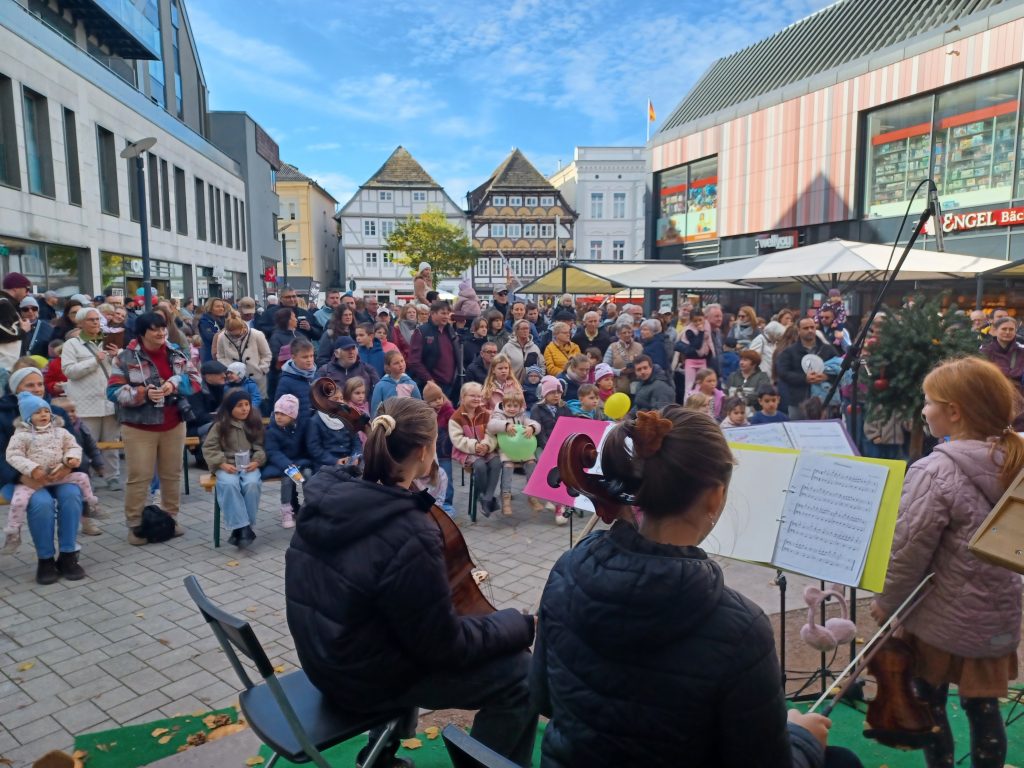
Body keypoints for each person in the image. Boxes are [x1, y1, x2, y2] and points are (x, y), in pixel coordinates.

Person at [531, 406, 859, 768]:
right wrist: (803, 738)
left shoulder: (566, 571)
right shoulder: (741, 629)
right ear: (716, 498)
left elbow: (543, 698)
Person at [285, 397, 537, 766]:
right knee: (522, 673)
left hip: (322, 657)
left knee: (406, 624)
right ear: (423, 451)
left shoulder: (328, 493)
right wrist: (519, 624)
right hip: (362, 680)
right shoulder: (409, 532)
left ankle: (381, 752)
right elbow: (443, 648)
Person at [870, 356, 1022, 768]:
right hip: (997, 616)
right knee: (984, 709)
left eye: (928, 401)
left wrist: (886, 603)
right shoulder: (1016, 459)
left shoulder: (935, 470)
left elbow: (907, 552)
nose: (923, 409)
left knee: (930, 704)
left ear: (954, 412)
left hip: (939, 620)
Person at [107, 311, 200, 544]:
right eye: (155, 329)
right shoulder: (125, 357)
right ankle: (135, 524)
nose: (161, 333)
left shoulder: (177, 352)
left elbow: (196, 381)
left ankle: (169, 518)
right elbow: (112, 392)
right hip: (139, 425)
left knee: (172, 474)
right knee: (140, 476)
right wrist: (142, 393)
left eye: (163, 328)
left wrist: (175, 383)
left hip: (173, 423)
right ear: (142, 333)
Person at [0, 368, 86, 583]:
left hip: (58, 475)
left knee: (72, 495)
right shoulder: (2, 413)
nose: (37, 389)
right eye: (30, 385)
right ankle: (45, 560)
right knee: (42, 503)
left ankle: (68, 556)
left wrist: (68, 466)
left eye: (39, 384)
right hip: (18, 479)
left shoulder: (55, 411)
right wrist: (21, 477)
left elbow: (74, 445)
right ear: (16, 388)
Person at [61, 307, 122, 490]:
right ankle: (87, 478)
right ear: (80, 323)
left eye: (97, 319)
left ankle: (113, 477)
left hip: (109, 401)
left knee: (112, 443)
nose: (95, 322)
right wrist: (94, 361)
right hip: (85, 402)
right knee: (87, 445)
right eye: (90, 320)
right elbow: (69, 371)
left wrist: (116, 355)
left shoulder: (109, 341)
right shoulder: (72, 344)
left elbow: (122, 368)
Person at [202, 390, 266, 548]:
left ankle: (243, 528)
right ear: (230, 408)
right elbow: (209, 448)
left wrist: (257, 461)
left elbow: (260, 448)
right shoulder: (220, 425)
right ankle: (243, 528)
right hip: (226, 466)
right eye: (239, 406)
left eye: (247, 405)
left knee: (251, 484)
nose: (245, 409)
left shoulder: (253, 423)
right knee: (229, 485)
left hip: (248, 465)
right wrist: (222, 463)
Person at [450, 381, 502, 517]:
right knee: (480, 466)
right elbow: (457, 439)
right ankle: (486, 497)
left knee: (496, 462)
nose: (476, 399)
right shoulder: (456, 418)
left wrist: (486, 445)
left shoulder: (485, 414)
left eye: (479, 396)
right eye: (472, 396)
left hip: (485, 448)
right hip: (466, 451)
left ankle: (486, 498)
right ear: (462, 397)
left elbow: (491, 433)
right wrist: (474, 446)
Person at [487, 390, 543, 515]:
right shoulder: (498, 415)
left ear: (520, 407)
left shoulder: (522, 417)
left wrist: (532, 428)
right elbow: (491, 426)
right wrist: (505, 425)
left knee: (531, 462)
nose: (512, 409)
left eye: (515, 406)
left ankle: (532, 494)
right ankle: (506, 497)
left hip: (523, 450)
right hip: (506, 450)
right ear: (504, 405)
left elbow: (537, 425)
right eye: (509, 406)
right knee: (508, 465)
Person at [263, 394, 312, 529]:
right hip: (282, 464)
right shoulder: (272, 431)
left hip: (300, 462)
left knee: (308, 474)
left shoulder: (300, 429)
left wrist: (300, 463)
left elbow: (306, 449)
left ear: (292, 416)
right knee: (288, 477)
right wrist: (288, 465)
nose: (278, 416)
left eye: (283, 414)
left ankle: (310, 506)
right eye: (277, 413)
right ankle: (286, 511)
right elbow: (272, 452)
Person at [775, 317, 838, 419]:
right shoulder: (789, 352)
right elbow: (783, 373)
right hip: (798, 401)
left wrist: (827, 376)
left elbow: (840, 369)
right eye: (805, 328)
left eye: (812, 327)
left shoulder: (828, 349)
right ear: (798, 331)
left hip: (824, 401)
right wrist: (804, 378)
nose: (810, 330)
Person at [408, 300, 460, 400]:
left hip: (450, 385)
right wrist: (429, 380)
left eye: (448, 313)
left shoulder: (451, 331)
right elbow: (414, 361)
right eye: (443, 313)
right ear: (432, 314)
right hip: (430, 385)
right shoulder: (422, 331)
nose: (446, 316)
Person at [215, 315, 272, 399]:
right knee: (235, 403)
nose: (235, 336)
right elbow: (220, 356)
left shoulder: (257, 334)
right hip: (233, 379)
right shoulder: (222, 337)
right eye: (232, 334)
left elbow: (266, 354)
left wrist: (262, 369)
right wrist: (230, 370)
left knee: (259, 403)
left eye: (238, 334)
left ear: (242, 327)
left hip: (256, 376)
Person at [274, 337, 317, 429]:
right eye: (305, 357)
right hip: (297, 431)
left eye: (311, 355)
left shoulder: (315, 376)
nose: (309, 360)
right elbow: (279, 410)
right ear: (293, 357)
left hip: (313, 429)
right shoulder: (286, 381)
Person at [315, 335, 380, 394]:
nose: (351, 352)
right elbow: (316, 395)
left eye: (353, 348)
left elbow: (377, 392)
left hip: (363, 406)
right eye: (346, 349)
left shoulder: (367, 369)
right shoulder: (325, 371)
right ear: (337, 353)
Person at [981, 316, 1024, 394]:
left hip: (1019, 396)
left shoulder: (1021, 351)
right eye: (1004, 329)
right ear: (995, 331)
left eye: (1011, 329)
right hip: (993, 396)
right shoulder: (985, 351)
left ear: (1015, 331)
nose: (1007, 332)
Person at [371, 350, 422, 414]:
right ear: (388, 367)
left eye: (402, 361)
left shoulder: (411, 384)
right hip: (388, 421)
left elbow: (419, 406)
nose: (401, 365)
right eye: (396, 363)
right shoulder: (380, 386)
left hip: (407, 421)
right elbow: (375, 409)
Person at [0, 272, 31, 370]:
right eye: (27, 289)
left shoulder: (7, 303)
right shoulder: (4, 303)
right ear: (15, 288)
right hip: (4, 366)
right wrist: (23, 330)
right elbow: (2, 331)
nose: (28, 293)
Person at [603, 320, 644, 394]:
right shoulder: (613, 347)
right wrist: (619, 372)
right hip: (618, 386)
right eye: (624, 333)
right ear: (618, 334)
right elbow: (605, 367)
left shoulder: (639, 346)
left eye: (629, 332)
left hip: (636, 385)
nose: (627, 334)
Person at [726, 349, 771, 415]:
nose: (741, 362)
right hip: (732, 414)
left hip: (754, 414)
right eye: (741, 359)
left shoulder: (762, 377)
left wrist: (745, 399)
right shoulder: (733, 376)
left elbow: (761, 394)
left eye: (745, 360)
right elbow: (726, 393)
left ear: (754, 364)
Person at [197, 297, 228, 363]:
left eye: (222, 306)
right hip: (209, 356)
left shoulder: (223, 320)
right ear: (210, 308)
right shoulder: (204, 321)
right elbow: (210, 337)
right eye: (217, 306)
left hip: (222, 356)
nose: (221, 309)